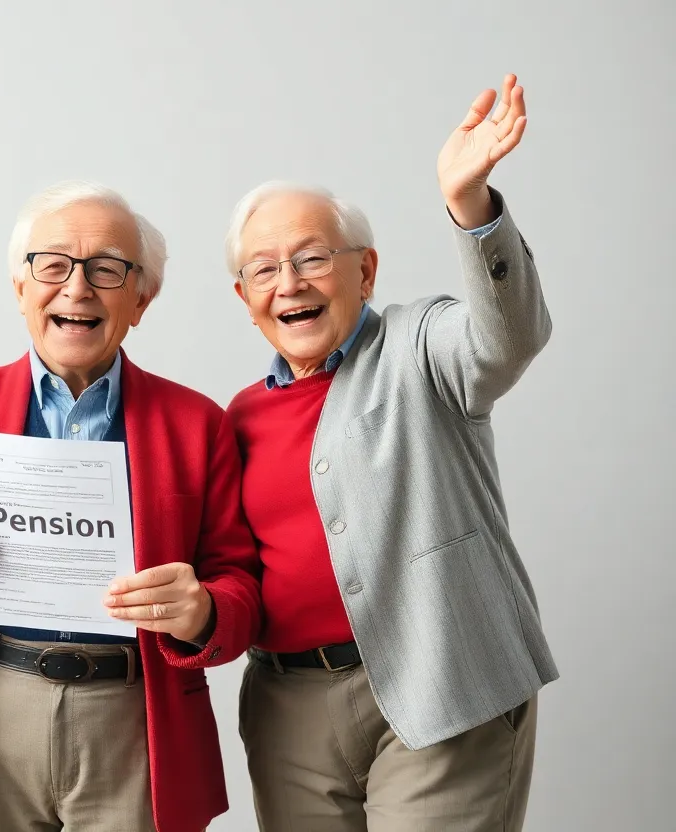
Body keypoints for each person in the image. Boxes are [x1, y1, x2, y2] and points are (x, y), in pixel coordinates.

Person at [0, 182, 262, 832]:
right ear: (21, 288)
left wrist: (205, 610)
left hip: (138, 720)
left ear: (141, 299)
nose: (77, 288)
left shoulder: (199, 424)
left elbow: (240, 585)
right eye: (53, 265)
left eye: (107, 269)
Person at [226, 74, 556, 831]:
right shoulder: (239, 417)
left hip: (444, 684)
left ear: (365, 271)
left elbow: (508, 338)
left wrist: (470, 205)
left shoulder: (420, 344)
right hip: (288, 710)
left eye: (312, 257)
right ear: (245, 298)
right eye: (265, 269)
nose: (290, 283)